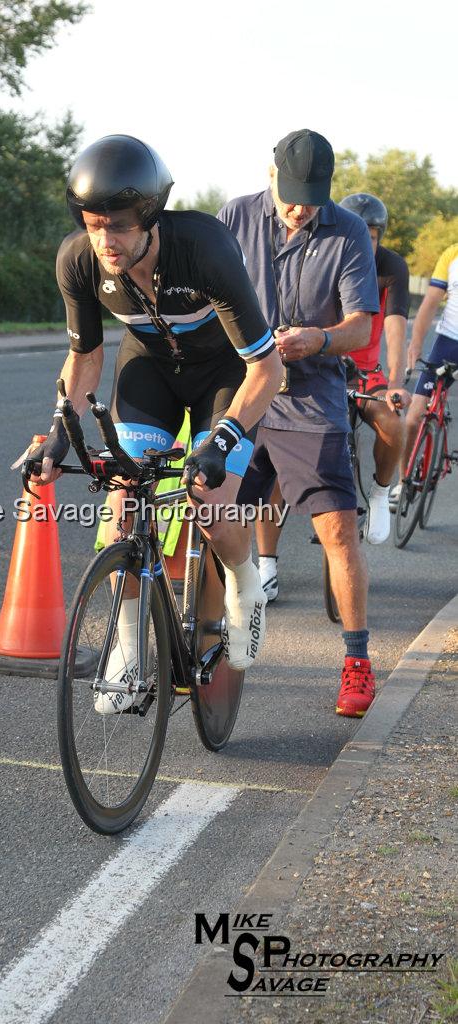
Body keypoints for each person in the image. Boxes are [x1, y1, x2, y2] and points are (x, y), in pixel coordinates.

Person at [29, 134, 283, 714]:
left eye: (118, 225)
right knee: (124, 513)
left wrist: (224, 438)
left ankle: (245, 583)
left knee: (212, 505)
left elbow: (266, 369)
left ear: (149, 218)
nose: (105, 240)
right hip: (149, 372)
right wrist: (59, 429)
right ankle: (127, 650)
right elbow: (87, 359)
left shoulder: (204, 249)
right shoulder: (78, 260)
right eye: (94, 225)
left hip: (226, 373)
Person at [218, 129, 381, 718]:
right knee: (212, 515)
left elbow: (361, 328)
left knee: (338, 530)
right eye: (290, 193)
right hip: (239, 395)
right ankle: (221, 628)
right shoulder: (233, 217)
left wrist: (320, 339)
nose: (298, 206)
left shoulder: (349, 231)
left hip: (312, 403)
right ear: (271, 175)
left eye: (311, 196)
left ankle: (358, 663)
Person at [337, 194, 410, 543]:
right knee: (272, 455)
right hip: (322, 371)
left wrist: (396, 381)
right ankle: (268, 563)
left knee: (393, 422)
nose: (365, 243)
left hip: (369, 375)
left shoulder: (391, 266)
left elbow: (396, 325)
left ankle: (380, 494)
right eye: (358, 233)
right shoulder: (326, 259)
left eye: (373, 235)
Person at [395, 241, 458, 492]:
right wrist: (416, 344)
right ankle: (403, 481)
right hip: (447, 342)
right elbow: (430, 303)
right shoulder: (452, 253)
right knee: (413, 418)